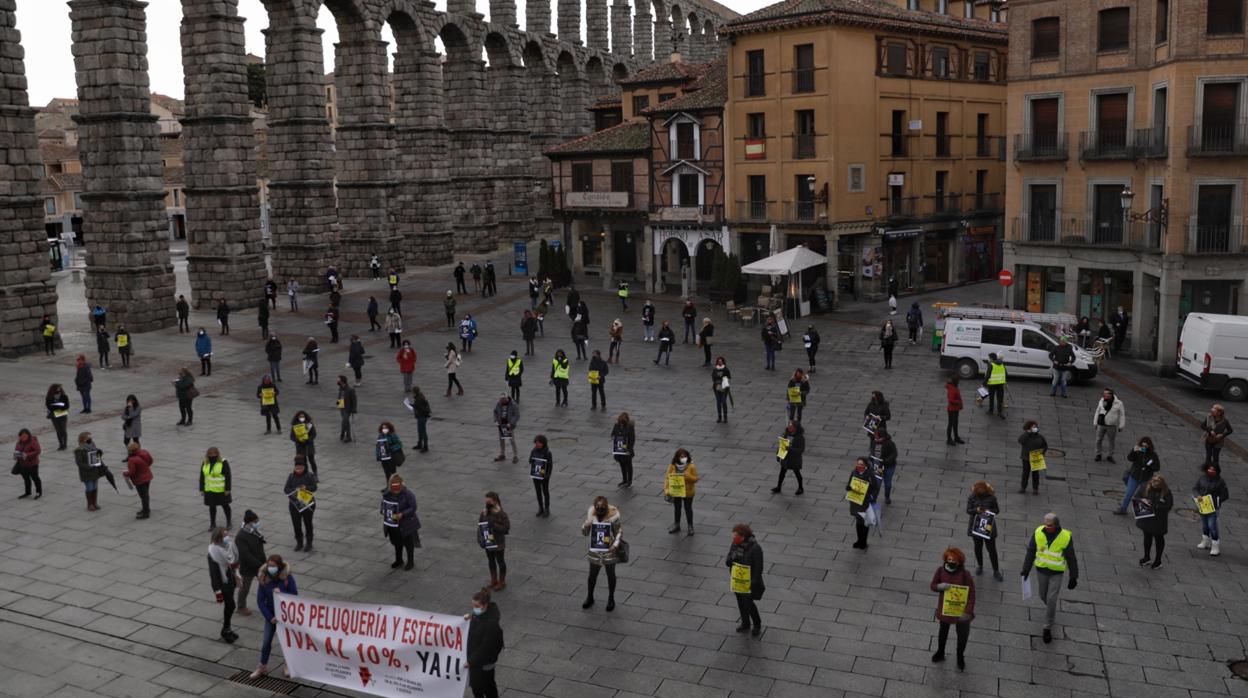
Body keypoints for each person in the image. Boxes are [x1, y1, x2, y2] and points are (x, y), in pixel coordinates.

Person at [1020, 512, 1079, 644]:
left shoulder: (1065, 537)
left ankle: (1047, 627)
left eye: (1050, 525)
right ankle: (1050, 611)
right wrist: (1026, 568)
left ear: (1056, 525)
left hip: (1056, 573)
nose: (1046, 527)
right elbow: (1031, 551)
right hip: (1041, 571)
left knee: (1051, 599)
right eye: (1045, 524)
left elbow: (1071, 557)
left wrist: (1073, 576)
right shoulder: (1038, 532)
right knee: (1043, 596)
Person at [929, 547, 975, 670]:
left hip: (961, 612)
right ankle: (940, 652)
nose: (951, 561)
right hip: (946, 609)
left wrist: (968, 612)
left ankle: (960, 657)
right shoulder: (940, 571)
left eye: (953, 559)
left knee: (962, 636)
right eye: (949, 559)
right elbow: (933, 586)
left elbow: (971, 595)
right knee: (942, 632)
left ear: (959, 561)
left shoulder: (965, 575)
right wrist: (940, 586)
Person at [581, 495, 621, 610]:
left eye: (602, 508)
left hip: (609, 551)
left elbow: (619, 532)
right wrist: (586, 526)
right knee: (592, 576)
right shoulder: (591, 517)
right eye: (598, 508)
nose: (600, 510)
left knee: (611, 575)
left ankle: (611, 598)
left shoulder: (613, 517)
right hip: (595, 551)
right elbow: (584, 533)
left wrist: (615, 545)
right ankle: (590, 597)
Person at [728, 526, 769, 640]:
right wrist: (732, 558)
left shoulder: (755, 548)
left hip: (749, 582)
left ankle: (757, 624)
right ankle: (745, 623)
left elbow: (759, 567)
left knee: (748, 604)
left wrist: (753, 582)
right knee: (740, 603)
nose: (733, 537)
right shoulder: (735, 545)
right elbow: (728, 561)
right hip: (737, 580)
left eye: (735, 535)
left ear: (743, 536)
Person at [466, 587, 504, 698]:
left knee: (487, 688)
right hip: (475, 661)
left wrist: (471, 661)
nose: (474, 609)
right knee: (477, 687)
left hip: (484, 662)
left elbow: (486, 647)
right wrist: (470, 617)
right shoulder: (478, 615)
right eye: (472, 606)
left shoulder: (491, 624)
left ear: (485, 605)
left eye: (476, 606)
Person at [206, 527, 241, 644]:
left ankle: (228, 629)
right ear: (218, 538)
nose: (228, 538)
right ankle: (225, 630)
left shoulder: (228, 547)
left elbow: (234, 562)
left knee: (229, 606)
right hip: (222, 584)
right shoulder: (213, 553)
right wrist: (217, 591)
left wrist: (236, 573)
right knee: (231, 605)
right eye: (225, 536)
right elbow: (214, 574)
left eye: (228, 535)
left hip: (230, 580)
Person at [381, 473, 420, 570]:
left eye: (397, 486)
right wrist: (384, 511)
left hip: (406, 523)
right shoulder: (387, 494)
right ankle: (399, 560)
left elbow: (413, 507)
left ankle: (410, 562)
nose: (396, 489)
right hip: (393, 524)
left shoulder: (408, 494)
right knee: (396, 542)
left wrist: (402, 514)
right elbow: (383, 506)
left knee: (408, 543)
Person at [1134, 475, 1173, 569]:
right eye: (1153, 485)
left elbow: (1169, 505)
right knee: (1147, 537)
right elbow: (1136, 497)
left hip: (1159, 520)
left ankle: (1158, 560)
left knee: (1158, 539)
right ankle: (1146, 557)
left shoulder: (1166, 492)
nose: (1154, 487)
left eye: (1157, 487)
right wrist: (1142, 500)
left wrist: (1156, 506)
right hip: (1147, 517)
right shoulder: (1145, 487)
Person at [965, 481, 1002, 580]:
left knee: (992, 550)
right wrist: (976, 510)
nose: (979, 493)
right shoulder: (972, 497)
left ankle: (996, 570)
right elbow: (968, 510)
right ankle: (980, 566)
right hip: (976, 526)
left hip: (988, 527)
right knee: (978, 547)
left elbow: (997, 510)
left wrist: (990, 511)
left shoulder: (992, 498)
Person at [1115, 436, 1160, 516]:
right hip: (1134, 476)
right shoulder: (1137, 452)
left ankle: (1143, 513)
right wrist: (1133, 451)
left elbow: (1157, 467)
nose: (1144, 448)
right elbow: (1129, 458)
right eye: (1142, 446)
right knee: (1128, 493)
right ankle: (1123, 508)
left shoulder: (1153, 455)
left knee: (1141, 496)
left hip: (1146, 479)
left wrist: (1149, 466)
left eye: (1146, 446)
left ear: (1149, 446)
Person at [235, 510, 266, 619]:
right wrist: (260, 565)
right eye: (256, 521)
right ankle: (241, 606)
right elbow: (245, 554)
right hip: (248, 567)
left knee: (266, 583)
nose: (258, 522)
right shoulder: (241, 536)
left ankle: (269, 602)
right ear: (250, 522)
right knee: (245, 588)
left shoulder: (254, 531)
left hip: (260, 564)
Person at [1194, 462, 1229, 557]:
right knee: (1205, 525)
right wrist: (1198, 496)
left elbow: (1225, 495)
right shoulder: (1202, 478)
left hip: (1213, 508)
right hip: (1203, 506)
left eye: (1213, 469)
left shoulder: (1220, 482)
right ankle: (1205, 541)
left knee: (1212, 526)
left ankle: (1215, 546)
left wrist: (1215, 501)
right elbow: (1195, 488)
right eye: (1209, 469)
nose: (1211, 471)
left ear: (1217, 471)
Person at [478, 493, 511, 591]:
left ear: (495, 501)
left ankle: (502, 581)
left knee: (500, 561)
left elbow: (506, 528)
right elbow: (480, 524)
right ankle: (493, 580)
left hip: (498, 542)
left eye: (489, 501)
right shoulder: (484, 512)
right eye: (486, 501)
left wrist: (494, 526)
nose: (487, 503)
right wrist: (480, 539)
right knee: (491, 560)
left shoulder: (501, 513)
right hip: (488, 539)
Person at [285, 457, 318, 552]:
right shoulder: (291, 476)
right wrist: (295, 490)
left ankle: (309, 542)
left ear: (304, 467)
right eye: (297, 468)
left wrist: (306, 487)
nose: (298, 470)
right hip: (294, 505)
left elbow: (314, 487)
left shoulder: (309, 476)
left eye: (300, 468)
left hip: (307, 504)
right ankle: (299, 542)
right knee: (296, 524)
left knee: (308, 523)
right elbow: (286, 489)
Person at [846, 457, 880, 550]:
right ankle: (859, 540)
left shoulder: (870, 475)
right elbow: (849, 483)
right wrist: (848, 488)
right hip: (856, 501)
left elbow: (875, 488)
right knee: (858, 522)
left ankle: (863, 542)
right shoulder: (854, 472)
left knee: (864, 522)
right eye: (858, 464)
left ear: (866, 466)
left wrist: (871, 497)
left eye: (861, 464)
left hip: (865, 502)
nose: (859, 466)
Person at [663, 448, 699, 535]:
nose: (683, 458)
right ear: (677, 457)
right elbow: (667, 477)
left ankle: (690, 526)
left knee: (688, 508)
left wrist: (689, 476)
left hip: (688, 492)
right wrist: (667, 490)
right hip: (677, 491)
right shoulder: (672, 465)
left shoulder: (691, 466)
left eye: (685, 456)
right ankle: (676, 524)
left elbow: (696, 479)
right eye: (681, 457)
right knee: (677, 508)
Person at [200, 447, 233, 529]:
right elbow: (202, 476)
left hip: (221, 490)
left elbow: (228, 476)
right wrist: (202, 489)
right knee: (212, 507)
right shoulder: (205, 462)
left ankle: (229, 522)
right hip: (209, 490)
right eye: (210, 454)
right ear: (207, 454)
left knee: (225, 506)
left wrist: (227, 489)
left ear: (217, 454)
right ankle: (212, 524)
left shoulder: (223, 462)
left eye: (214, 454)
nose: (212, 456)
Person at [74, 431, 105, 512]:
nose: (90, 439)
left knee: (95, 487)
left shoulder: (93, 445)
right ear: (83, 439)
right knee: (89, 487)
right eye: (88, 438)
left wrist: (99, 453)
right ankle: (90, 504)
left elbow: (96, 456)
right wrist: (88, 467)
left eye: (91, 438)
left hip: (95, 470)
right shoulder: (79, 450)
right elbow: (79, 462)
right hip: (87, 472)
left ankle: (95, 503)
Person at [771, 421, 805, 495]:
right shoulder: (786, 434)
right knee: (782, 473)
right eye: (789, 426)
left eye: (791, 426)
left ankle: (800, 488)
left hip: (794, 459)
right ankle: (778, 487)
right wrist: (778, 454)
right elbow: (782, 445)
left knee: (797, 473)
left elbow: (801, 450)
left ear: (795, 428)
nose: (789, 427)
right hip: (785, 458)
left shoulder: (800, 438)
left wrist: (790, 449)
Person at [124, 441, 153, 519]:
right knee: (146, 494)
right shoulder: (145, 452)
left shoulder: (132, 460)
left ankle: (145, 513)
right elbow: (151, 461)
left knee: (143, 496)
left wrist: (126, 473)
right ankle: (146, 509)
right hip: (148, 476)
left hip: (140, 480)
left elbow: (132, 473)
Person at [1018, 420, 1047, 494]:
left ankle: (1035, 489)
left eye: (1036, 427)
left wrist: (1042, 452)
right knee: (1025, 473)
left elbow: (1044, 445)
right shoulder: (1025, 436)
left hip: (1036, 457)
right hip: (1026, 458)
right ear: (1029, 428)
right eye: (1033, 427)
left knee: (1035, 474)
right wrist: (1027, 433)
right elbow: (1020, 441)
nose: (1035, 428)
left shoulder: (1040, 436)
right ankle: (1023, 488)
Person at [871, 427, 899, 504]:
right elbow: (872, 451)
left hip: (888, 466)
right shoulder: (874, 442)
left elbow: (894, 454)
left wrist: (887, 460)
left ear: (882, 436)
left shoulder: (889, 443)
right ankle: (874, 499)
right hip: (878, 466)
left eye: (877, 437)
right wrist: (871, 457)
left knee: (887, 484)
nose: (875, 438)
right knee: (877, 483)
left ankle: (887, 496)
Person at [13, 428, 42, 499]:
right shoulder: (19, 443)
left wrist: (27, 455)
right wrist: (16, 456)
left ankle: (38, 492)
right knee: (26, 478)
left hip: (32, 464)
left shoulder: (33, 441)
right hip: (23, 464)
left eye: (25, 436)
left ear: (28, 435)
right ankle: (27, 492)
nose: (23, 438)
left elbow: (38, 451)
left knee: (35, 478)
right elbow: (17, 450)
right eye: (21, 436)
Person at [529, 434, 553, 516]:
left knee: (545, 492)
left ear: (543, 443)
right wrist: (534, 461)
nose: (537, 445)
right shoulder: (533, 451)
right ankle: (540, 508)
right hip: (536, 474)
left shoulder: (547, 453)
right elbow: (530, 460)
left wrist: (548, 475)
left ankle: (547, 508)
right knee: (538, 491)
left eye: (539, 443)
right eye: (536, 443)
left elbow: (550, 465)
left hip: (544, 476)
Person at [610, 412, 636, 488]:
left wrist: (629, 450)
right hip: (619, 448)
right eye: (620, 422)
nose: (621, 423)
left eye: (623, 422)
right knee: (622, 465)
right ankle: (624, 480)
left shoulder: (630, 427)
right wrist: (613, 436)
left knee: (628, 465)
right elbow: (613, 433)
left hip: (627, 449)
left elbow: (632, 439)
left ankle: (629, 481)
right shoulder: (616, 425)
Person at [493, 396, 520, 463]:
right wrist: (495, 420)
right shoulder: (499, 403)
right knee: (501, 440)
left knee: (512, 441)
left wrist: (511, 423)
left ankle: (515, 455)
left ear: (506, 399)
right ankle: (502, 454)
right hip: (501, 425)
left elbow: (516, 415)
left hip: (509, 425)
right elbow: (495, 412)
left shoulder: (513, 404)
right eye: (501, 400)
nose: (502, 402)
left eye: (503, 400)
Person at [45, 384, 69, 450]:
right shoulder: (49, 397)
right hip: (54, 415)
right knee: (58, 430)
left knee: (63, 429)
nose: (59, 389)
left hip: (63, 414)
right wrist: (59, 406)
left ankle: (65, 444)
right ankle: (61, 444)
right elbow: (49, 406)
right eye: (57, 388)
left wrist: (56, 406)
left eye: (60, 388)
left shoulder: (64, 396)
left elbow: (66, 406)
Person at [983, 353, 1006, 418]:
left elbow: (988, 375)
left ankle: (991, 411)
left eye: (989, 358)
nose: (988, 359)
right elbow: (1006, 374)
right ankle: (999, 412)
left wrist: (983, 383)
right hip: (1000, 384)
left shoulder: (991, 364)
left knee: (991, 398)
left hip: (992, 384)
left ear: (991, 358)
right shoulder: (1002, 364)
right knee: (1000, 399)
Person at [409, 386, 431, 452]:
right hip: (421, 417)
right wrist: (413, 405)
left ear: (414, 392)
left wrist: (414, 407)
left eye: (412, 392)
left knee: (423, 432)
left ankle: (425, 447)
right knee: (420, 431)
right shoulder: (420, 396)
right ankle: (420, 444)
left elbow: (421, 408)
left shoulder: (418, 399)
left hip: (421, 417)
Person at [946, 375, 965, 445]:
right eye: (958, 381)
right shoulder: (952, 389)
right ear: (955, 381)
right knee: (951, 424)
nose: (959, 382)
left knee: (955, 423)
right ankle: (949, 439)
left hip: (955, 408)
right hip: (952, 409)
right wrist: (958, 402)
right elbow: (951, 400)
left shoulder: (954, 387)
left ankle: (956, 437)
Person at [712, 356, 731, 423]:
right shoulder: (715, 369)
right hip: (717, 387)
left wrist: (725, 381)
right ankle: (719, 416)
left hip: (724, 387)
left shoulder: (726, 369)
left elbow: (729, 377)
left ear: (723, 362)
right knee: (718, 402)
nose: (720, 362)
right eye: (719, 361)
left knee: (723, 401)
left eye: (721, 361)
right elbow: (713, 378)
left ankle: (725, 417)